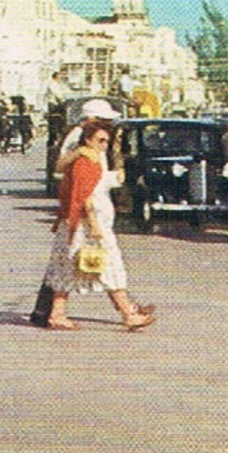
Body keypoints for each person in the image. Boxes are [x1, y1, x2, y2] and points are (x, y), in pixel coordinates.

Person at [37, 118, 154, 332]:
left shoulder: (91, 158)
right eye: (100, 140)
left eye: (106, 141)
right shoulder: (85, 161)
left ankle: (58, 314)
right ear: (88, 140)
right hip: (85, 226)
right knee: (108, 265)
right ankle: (128, 313)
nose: (104, 145)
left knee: (69, 267)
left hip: (79, 225)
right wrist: (95, 225)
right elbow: (84, 197)